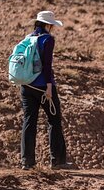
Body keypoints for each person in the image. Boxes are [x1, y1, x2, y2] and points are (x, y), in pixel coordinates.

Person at [19, 10, 69, 170]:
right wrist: (48, 86)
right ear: (48, 25)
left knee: (29, 121)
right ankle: (58, 161)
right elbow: (47, 66)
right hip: (43, 86)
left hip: (26, 86)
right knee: (54, 120)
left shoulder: (28, 38)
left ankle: (27, 162)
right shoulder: (47, 39)